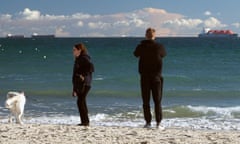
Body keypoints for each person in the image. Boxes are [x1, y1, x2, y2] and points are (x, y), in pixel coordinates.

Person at [134, 28, 166, 129]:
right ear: (154, 36)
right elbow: (164, 55)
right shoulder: (159, 46)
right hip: (156, 76)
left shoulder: (141, 46)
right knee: (157, 101)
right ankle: (158, 123)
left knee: (146, 101)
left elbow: (135, 54)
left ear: (146, 35)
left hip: (145, 76)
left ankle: (148, 122)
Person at [72, 43, 94, 126]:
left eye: (74, 50)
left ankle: (85, 121)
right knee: (81, 101)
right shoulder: (78, 59)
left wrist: (83, 75)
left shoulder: (84, 58)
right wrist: (74, 89)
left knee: (80, 101)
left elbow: (91, 67)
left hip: (85, 83)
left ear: (79, 50)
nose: (73, 52)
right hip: (80, 84)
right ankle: (85, 121)